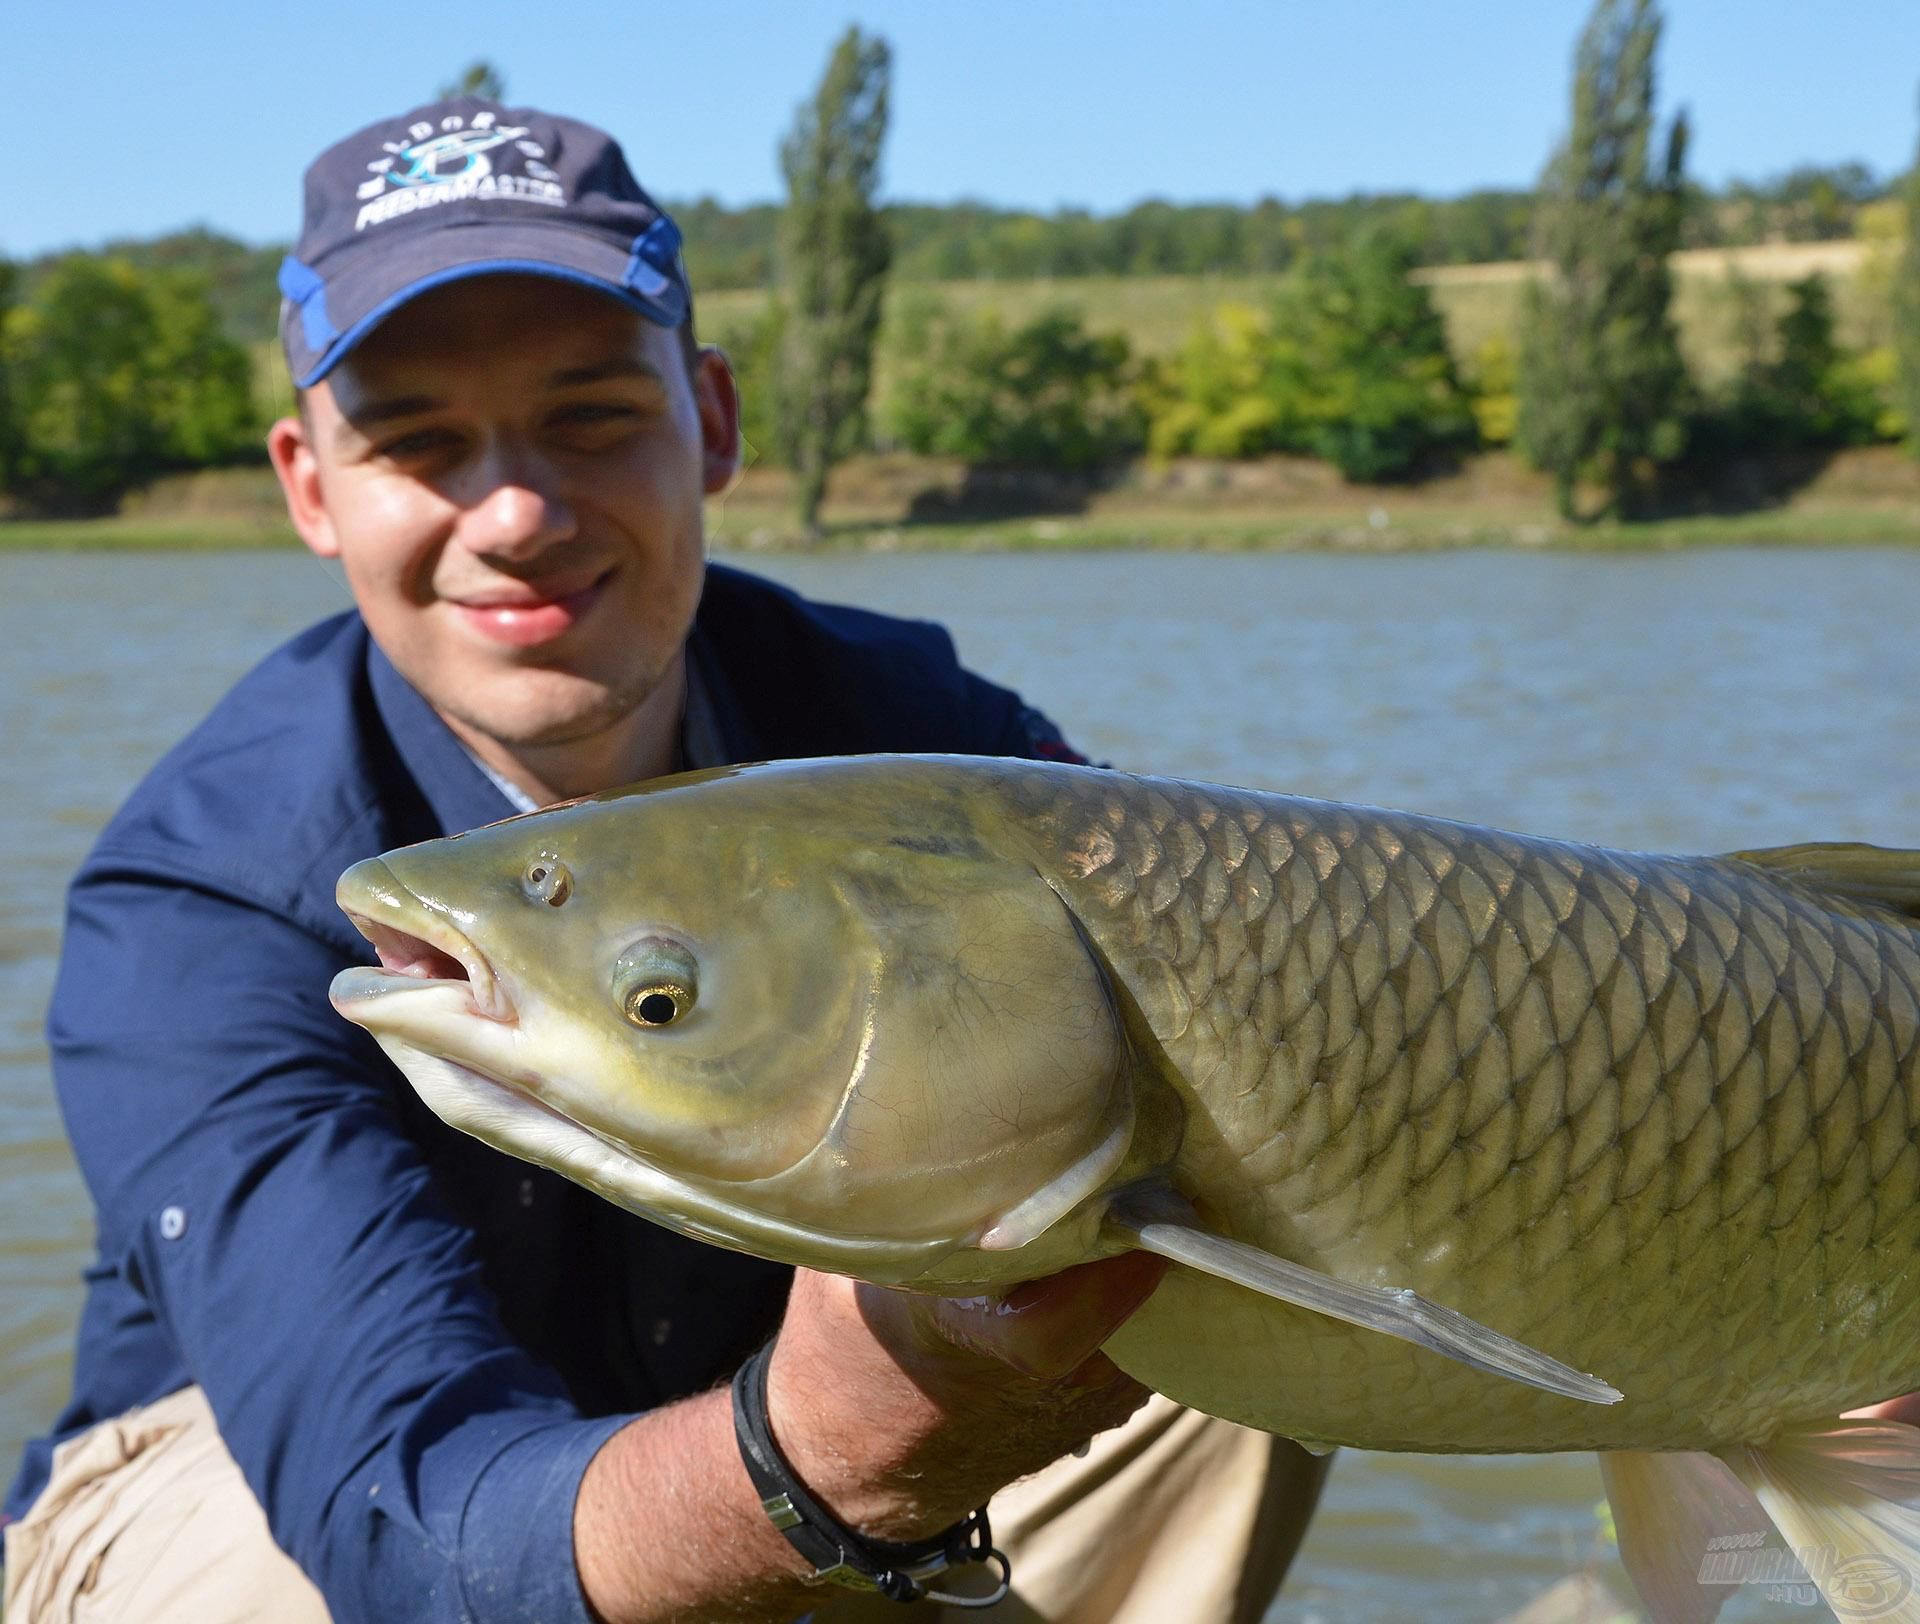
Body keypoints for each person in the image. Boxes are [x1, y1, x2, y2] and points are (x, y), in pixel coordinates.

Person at [2, 98, 1327, 1622]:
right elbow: (399, 1508)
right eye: (419, 442)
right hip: (284, 1487)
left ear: (712, 417)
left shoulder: (919, 740)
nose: (514, 511)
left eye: (591, 416)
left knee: (1221, 1314)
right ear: (312, 489)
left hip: (772, 1450)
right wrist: (822, 1456)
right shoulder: (200, 902)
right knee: (272, 1577)